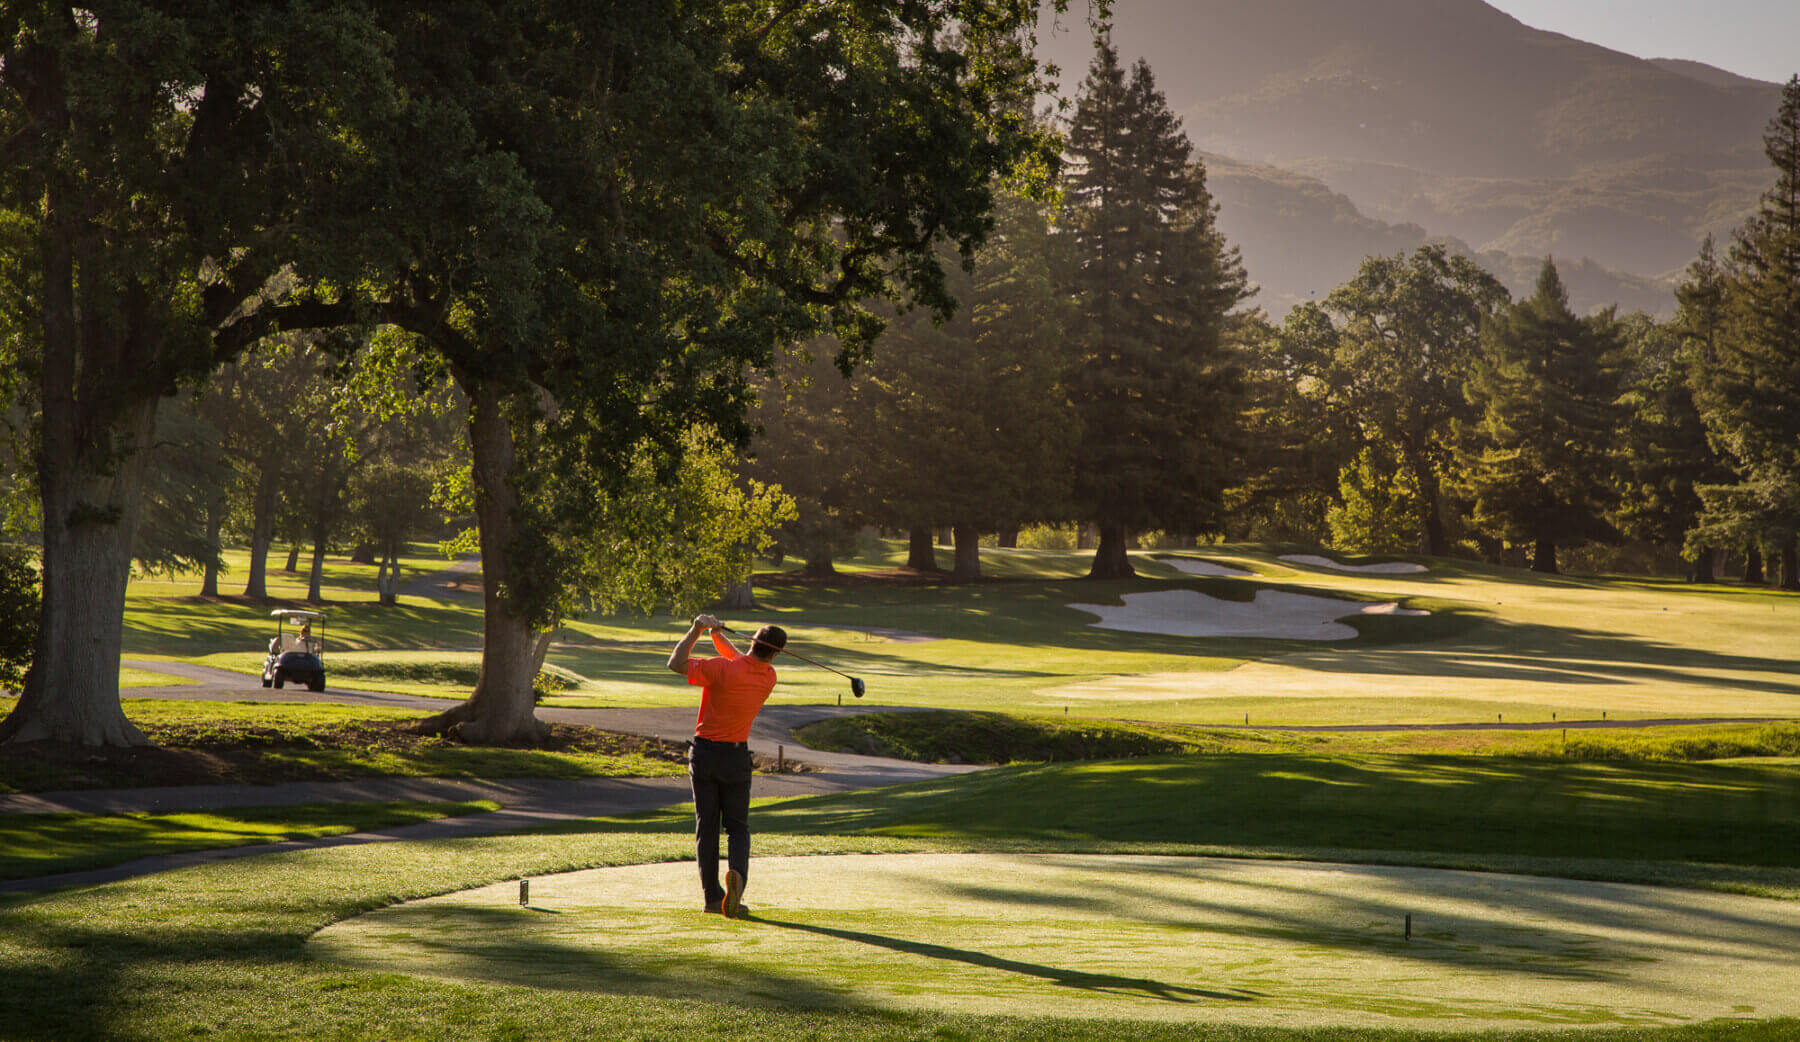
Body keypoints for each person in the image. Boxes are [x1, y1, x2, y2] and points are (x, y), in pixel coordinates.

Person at [667, 612, 786, 918]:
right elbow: (742, 661)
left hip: (705, 754)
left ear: (754, 642)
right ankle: (738, 881)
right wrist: (716, 635)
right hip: (736, 758)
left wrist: (697, 629)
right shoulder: (768, 677)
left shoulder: (721, 668)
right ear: (775, 653)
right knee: (737, 829)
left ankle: (711, 897)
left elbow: (676, 663)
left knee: (707, 829)